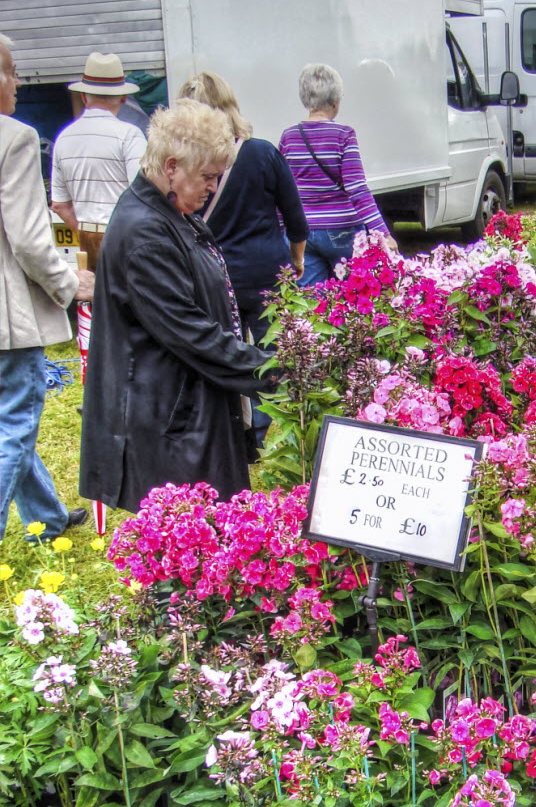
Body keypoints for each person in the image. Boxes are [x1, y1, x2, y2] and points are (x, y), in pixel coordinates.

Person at [79, 99, 273, 514]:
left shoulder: (168, 211)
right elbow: (190, 332)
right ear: (171, 167)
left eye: (217, 177)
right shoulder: (146, 231)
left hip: (180, 409)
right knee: (185, 548)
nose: (213, 188)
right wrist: (273, 371)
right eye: (207, 177)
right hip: (166, 423)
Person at [178, 71, 307, 447]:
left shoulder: (187, 167)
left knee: (226, 351)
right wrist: (295, 260)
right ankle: (274, 427)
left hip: (211, 272)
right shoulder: (263, 152)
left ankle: (239, 428)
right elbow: (296, 220)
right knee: (274, 353)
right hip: (267, 269)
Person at [0, 32, 94, 543]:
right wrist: (69, 283)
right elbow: (31, 241)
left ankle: (45, 518)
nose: (17, 82)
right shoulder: (12, 137)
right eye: (12, 70)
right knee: (15, 424)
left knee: (9, 423)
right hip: (7, 316)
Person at [50, 52, 147, 380]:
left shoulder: (64, 138)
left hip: (87, 237)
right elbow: (142, 194)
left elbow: (60, 204)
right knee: (132, 312)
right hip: (127, 235)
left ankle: (95, 384)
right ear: (122, 95)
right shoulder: (130, 136)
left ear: (84, 95)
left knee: (91, 308)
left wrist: (84, 228)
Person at [279, 63, 395, 287]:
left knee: (314, 306)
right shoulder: (343, 135)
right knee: (354, 300)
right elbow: (357, 189)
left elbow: (283, 190)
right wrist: (383, 233)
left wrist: (282, 228)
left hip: (303, 232)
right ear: (335, 100)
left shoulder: (289, 137)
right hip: (343, 230)